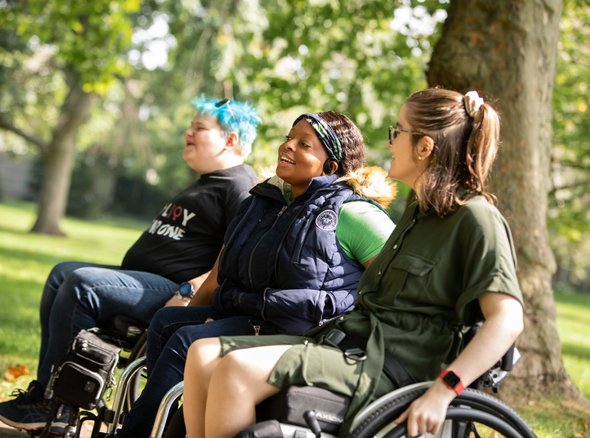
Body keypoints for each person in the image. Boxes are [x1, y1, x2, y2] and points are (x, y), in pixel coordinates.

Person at [182, 88, 525, 438]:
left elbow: (507, 321)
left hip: (389, 368)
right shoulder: (419, 213)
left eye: (398, 132)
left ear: (424, 147)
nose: (390, 143)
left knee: (236, 369)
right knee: (203, 356)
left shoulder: (476, 217)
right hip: (348, 344)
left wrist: (444, 389)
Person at [114, 111, 397, 438]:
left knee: (186, 340)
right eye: (288, 138)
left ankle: (136, 433)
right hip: (252, 314)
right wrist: (191, 314)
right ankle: (165, 424)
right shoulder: (264, 203)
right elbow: (220, 272)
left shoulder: (353, 212)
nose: (286, 147)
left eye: (303, 144)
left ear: (330, 167)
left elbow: (393, 281)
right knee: (168, 323)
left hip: (302, 328)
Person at [0, 97, 261, 433]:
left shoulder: (239, 186)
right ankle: (44, 392)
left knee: (83, 284)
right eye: (190, 126)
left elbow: (233, 257)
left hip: (171, 291)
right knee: (61, 273)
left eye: (200, 128)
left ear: (230, 140)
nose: (188, 132)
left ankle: (59, 406)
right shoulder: (208, 180)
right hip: (146, 279)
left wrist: (189, 289)